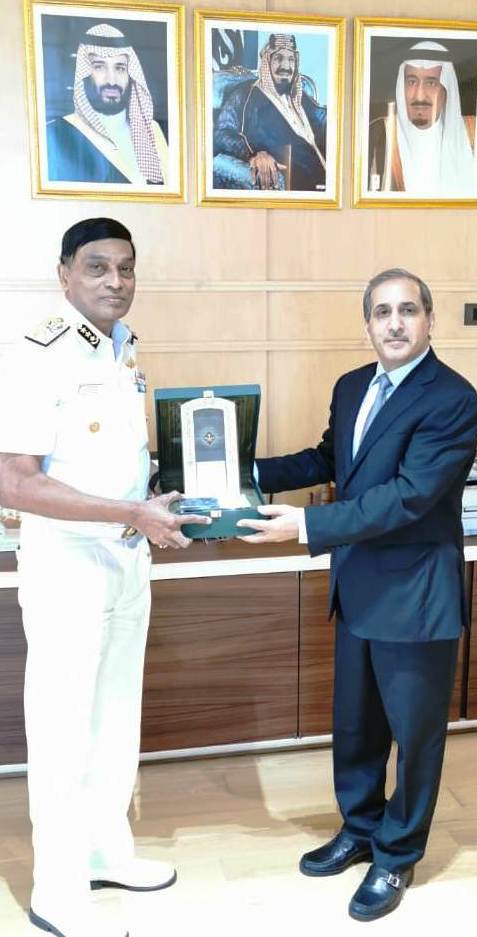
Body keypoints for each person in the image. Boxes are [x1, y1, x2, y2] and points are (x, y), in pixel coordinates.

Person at [238, 268, 477, 921]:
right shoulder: (352, 386)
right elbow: (329, 459)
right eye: (382, 312)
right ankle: (361, 828)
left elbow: (408, 496)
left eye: (408, 310)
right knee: (356, 727)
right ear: (368, 322)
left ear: (429, 320)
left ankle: (397, 855)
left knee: (415, 736)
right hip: (357, 588)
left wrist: (308, 525)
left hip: (416, 596)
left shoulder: (453, 399)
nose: (395, 323)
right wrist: (242, 471)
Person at [0, 218, 210, 937]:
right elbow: (13, 481)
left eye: (125, 267)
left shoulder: (124, 348)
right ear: (64, 273)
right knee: (63, 728)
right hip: (68, 567)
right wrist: (130, 511)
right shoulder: (38, 353)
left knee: (116, 716)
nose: (115, 281)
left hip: (125, 557)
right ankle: (58, 890)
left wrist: (150, 505)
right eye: (96, 267)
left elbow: (112, 460)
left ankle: (104, 851)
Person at [46, 23, 168, 185]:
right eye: (99, 67)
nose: (111, 80)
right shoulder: (56, 133)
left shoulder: (153, 131)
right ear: (84, 73)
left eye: (120, 68)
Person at [213, 33, 326, 191]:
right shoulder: (245, 95)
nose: (286, 66)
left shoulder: (298, 96)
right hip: (293, 185)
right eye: (278, 58)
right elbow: (222, 132)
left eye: (291, 59)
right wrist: (254, 154)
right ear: (267, 62)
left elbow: (322, 119)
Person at [368, 41, 476, 196]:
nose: (419, 95)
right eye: (411, 82)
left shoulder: (474, 134)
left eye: (431, 83)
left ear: (446, 90)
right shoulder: (380, 134)